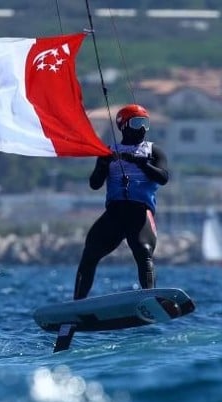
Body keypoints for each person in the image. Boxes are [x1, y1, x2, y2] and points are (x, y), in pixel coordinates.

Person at [73, 104, 170, 300]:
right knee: (90, 253)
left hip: (140, 214)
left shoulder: (153, 152)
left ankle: (149, 297)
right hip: (115, 214)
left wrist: (142, 163)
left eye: (145, 123)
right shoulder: (108, 152)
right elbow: (94, 184)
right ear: (124, 126)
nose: (142, 128)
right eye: (137, 123)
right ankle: (77, 303)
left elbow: (163, 178)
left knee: (143, 253)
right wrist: (103, 164)